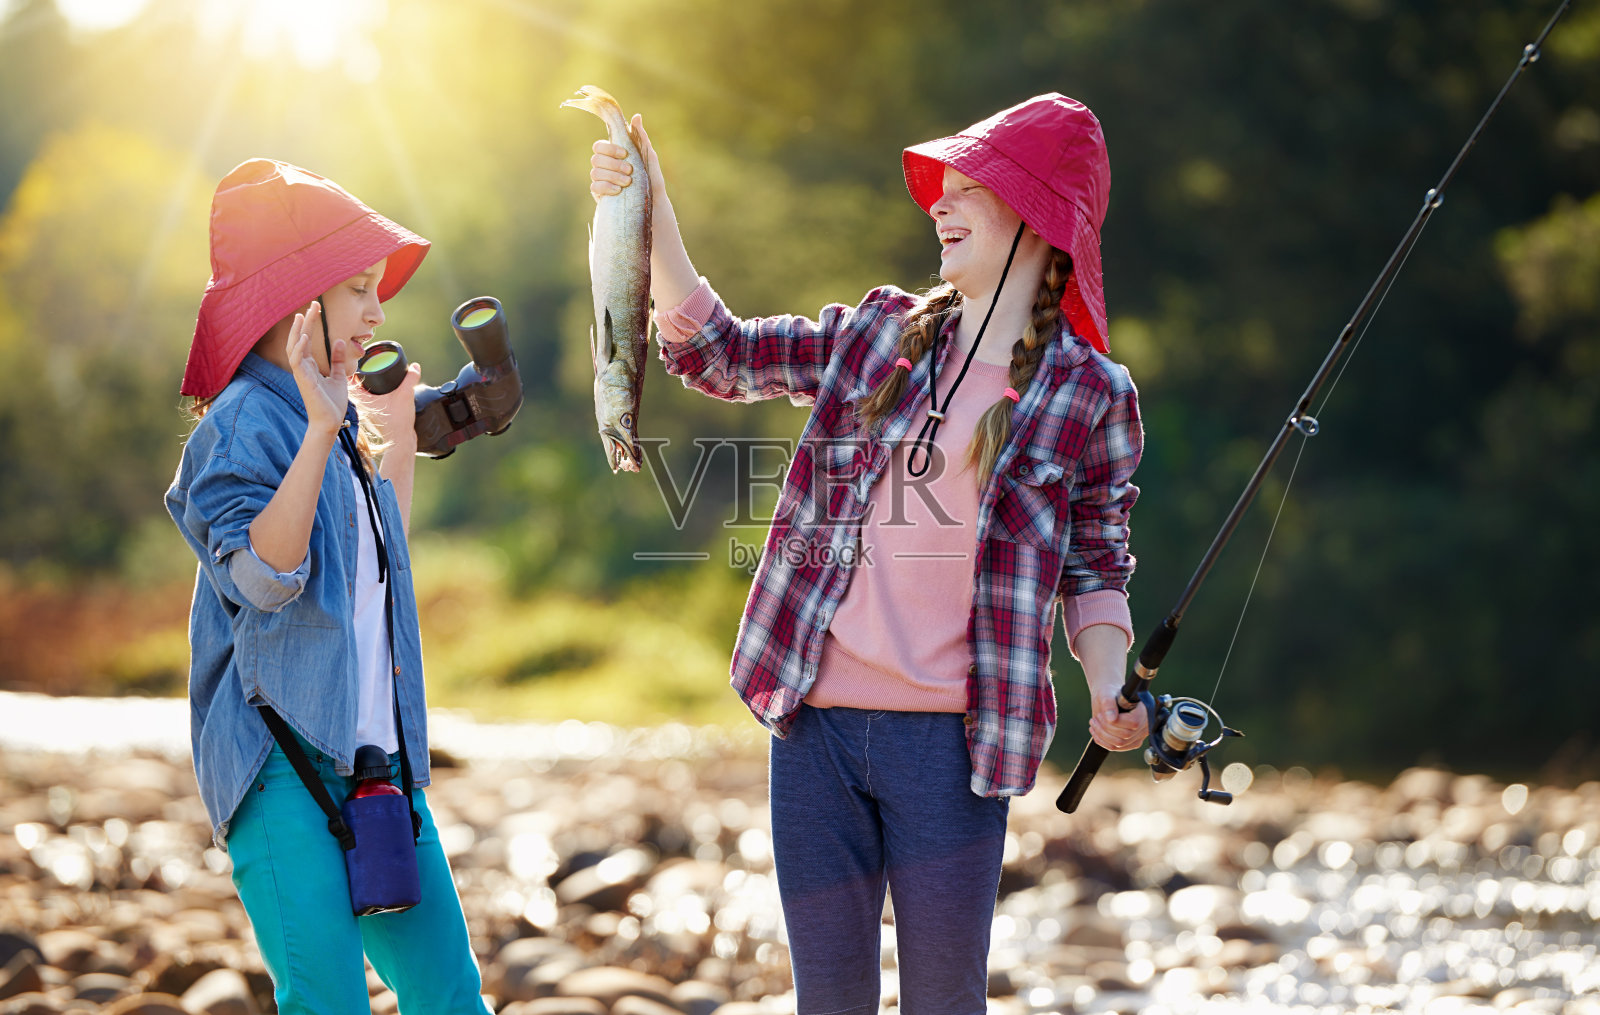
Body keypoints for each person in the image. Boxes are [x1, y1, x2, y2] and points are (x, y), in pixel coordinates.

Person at [588, 94, 1152, 1011]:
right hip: (814, 731)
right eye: (943, 187)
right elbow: (720, 352)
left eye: (970, 188)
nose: (939, 204)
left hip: (956, 751)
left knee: (945, 1000)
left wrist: (1109, 685)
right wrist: (650, 208)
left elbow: (1096, 564)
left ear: (1038, 216)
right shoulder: (879, 331)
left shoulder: (1094, 392)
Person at [165, 159, 490, 1015]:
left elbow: (379, 571)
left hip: (378, 763)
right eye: (356, 289)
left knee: (452, 996)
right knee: (327, 1002)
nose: (377, 312)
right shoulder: (244, 422)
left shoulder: (339, 416)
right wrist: (319, 430)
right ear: (294, 303)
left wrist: (393, 438)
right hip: (280, 766)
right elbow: (264, 579)